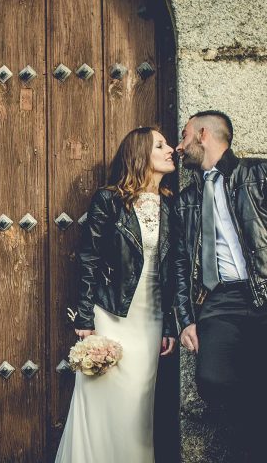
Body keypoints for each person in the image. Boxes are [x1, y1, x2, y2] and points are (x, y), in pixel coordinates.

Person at [172, 110, 267, 462]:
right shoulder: (186, 201)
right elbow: (179, 264)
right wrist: (186, 319)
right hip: (220, 301)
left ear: (202, 134)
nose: (179, 147)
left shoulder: (261, 173)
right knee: (211, 380)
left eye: (184, 136)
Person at [56, 127, 178, 463]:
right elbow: (89, 258)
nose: (170, 150)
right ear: (141, 155)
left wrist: (170, 324)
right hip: (110, 314)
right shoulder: (108, 200)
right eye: (160, 145)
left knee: (138, 410)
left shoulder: (172, 204)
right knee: (100, 401)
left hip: (150, 318)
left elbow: (176, 269)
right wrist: (84, 315)